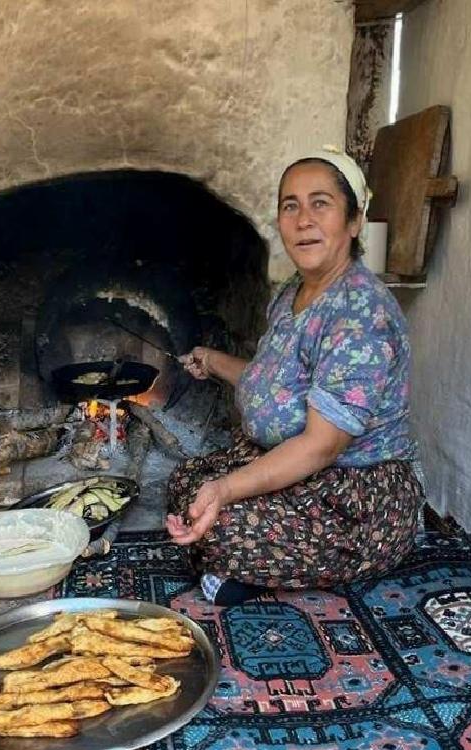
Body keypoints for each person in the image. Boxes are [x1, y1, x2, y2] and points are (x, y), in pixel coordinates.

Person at [166, 146, 424, 606]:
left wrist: (226, 489)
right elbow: (273, 382)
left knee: (220, 520)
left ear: (354, 220)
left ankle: (247, 569)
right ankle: (245, 564)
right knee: (186, 481)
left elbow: (321, 445)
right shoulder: (292, 293)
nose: (303, 219)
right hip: (296, 471)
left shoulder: (360, 313)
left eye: (320, 203)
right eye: (291, 205)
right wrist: (211, 359)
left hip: (352, 494)